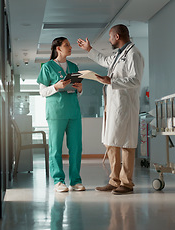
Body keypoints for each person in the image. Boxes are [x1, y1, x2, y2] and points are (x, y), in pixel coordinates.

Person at [77, 24, 144, 195]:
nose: (108, 40)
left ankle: (127, 183)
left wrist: (111, 82)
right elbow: (103, 60)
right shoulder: (118, 55)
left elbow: (135, 80)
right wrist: (89, 49)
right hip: (114, 105)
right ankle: (114, 181)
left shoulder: (134, 54)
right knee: (111, 141)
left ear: (117, 36)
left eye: (109, 36)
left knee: (127, 143)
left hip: (126, 105)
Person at [37, 37, 85, 192]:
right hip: (56, 112)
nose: (70, 47)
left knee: (76, 147)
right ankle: (58, 181)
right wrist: (56, 87)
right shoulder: (47, 67)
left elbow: (77, 91)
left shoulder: (74, 66)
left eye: (70, 45)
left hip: (73, 112)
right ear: (58, 48)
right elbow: (43, 92)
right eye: (66, 45)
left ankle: (75, 181)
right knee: (56, 148)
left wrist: (79, 89)